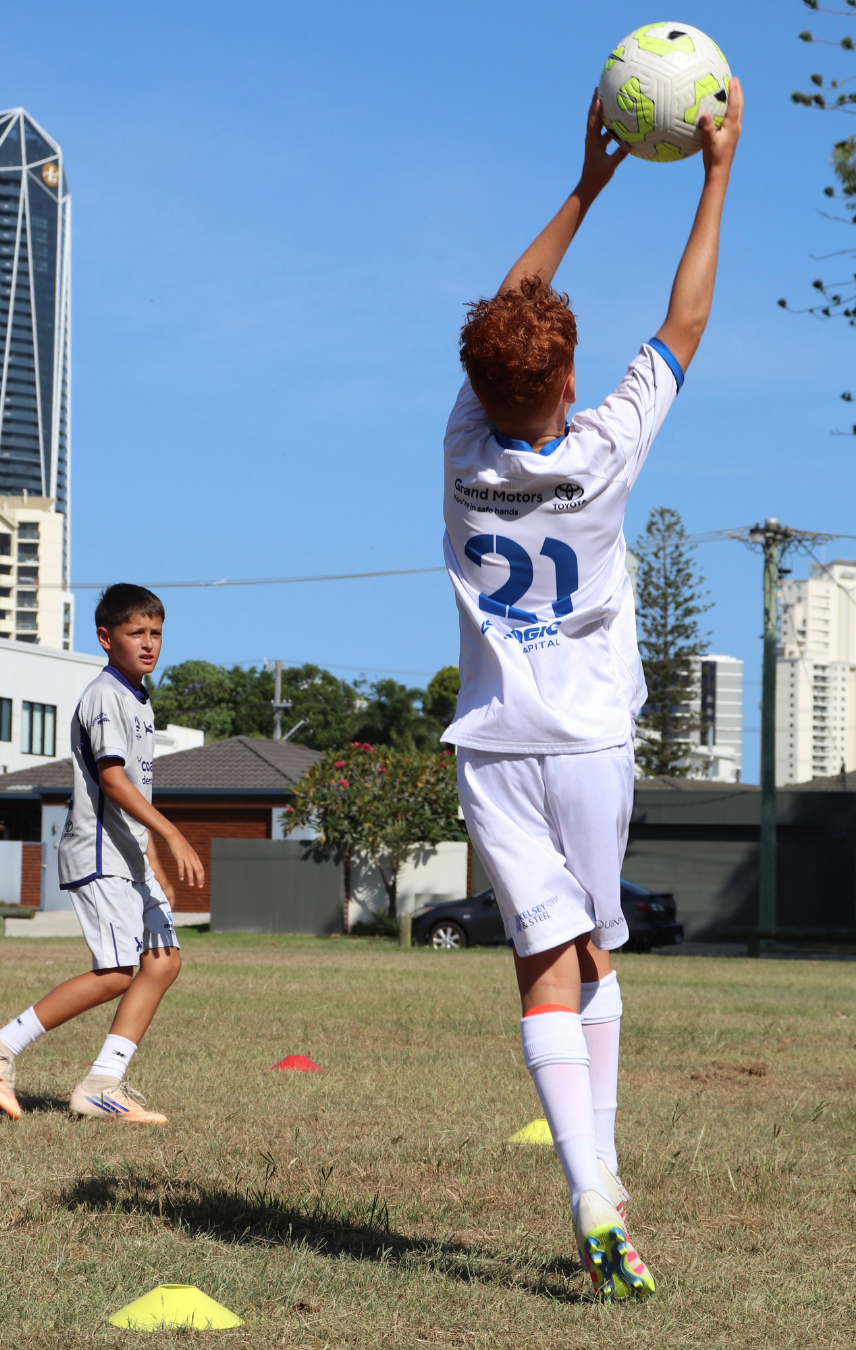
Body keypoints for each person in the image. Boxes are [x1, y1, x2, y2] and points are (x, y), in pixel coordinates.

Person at [441, 85, 743, 1299]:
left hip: (492, 744)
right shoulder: (607, 445)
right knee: (596, 957)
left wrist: (587, 183)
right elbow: (689, 319)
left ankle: (593, 1180)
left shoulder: (466, 446)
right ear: (567, 384)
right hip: (589, 745)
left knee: (549, 968)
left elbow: (509, 312)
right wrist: (715, 171)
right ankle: (596, 1185)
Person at [0, 583, 204, 1124]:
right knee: (118, 971)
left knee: (162, 963)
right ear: (105, 637)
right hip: (98, 858)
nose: (148, 643)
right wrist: (171, 834)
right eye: (135, 632)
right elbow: (114, 782)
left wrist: (151, 856)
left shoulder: (139, 698)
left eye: (156, 632)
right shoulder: (104, 695)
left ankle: (102, 1083)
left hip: (127, 859)